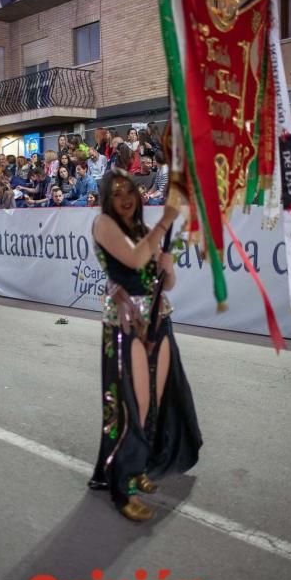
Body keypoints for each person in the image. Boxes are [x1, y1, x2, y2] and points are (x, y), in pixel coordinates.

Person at [88, 169, 202, 521]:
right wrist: (168, 218)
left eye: (131, 191)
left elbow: (163, 282)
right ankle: (122, 488)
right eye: (117, 192)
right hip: (126, 325)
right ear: (108, 198)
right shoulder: (103, 224)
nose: (126, 197)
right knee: (133, 403)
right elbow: (136, 260)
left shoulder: (142, 229)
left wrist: (168, 268)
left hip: (158, 320)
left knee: (155, 399)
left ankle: (139, 469)